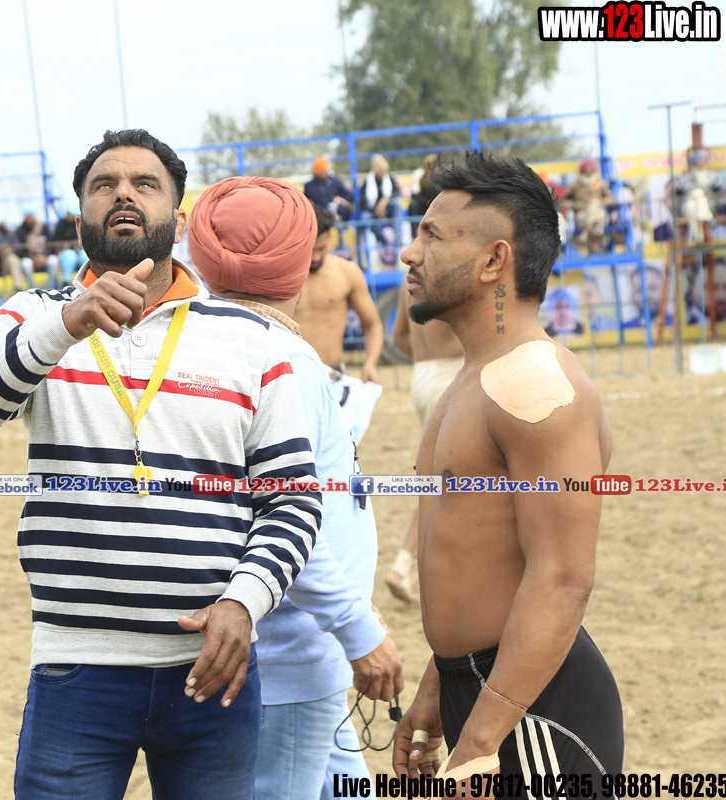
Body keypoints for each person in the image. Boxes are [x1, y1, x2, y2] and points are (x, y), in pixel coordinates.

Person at [0, 128, 323, 800]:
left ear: (178, 219)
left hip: (213, 668)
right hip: (76, 669)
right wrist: (66, 325)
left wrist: (246, 600)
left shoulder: (251, 340)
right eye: (104, 185)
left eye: (145, 184)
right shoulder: (36, 316)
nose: (123, 194)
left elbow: (292, 498)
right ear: (79, 220)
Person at [392, 152, 623, 783]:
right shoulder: (477, 377)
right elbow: (476, 562)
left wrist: (481, 737)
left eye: (432, 236)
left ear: (494, 261)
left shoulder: (533, 384)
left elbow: (563, 578)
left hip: (532, 711)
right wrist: (439, 686)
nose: (410, 254)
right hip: (483, 691)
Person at [186, 175, 404, 799]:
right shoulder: (282, 359)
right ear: (297, 259)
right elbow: (287, 517)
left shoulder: (202, 349)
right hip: (294, 649)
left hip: (303, 637)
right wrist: (355, 625)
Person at [384, 278, 464, 604]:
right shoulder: (450, 271)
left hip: (423, 374)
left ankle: (404, 566)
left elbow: (398, 338)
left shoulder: (410, 279)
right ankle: (404, 565)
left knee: (443, 476)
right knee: (446, 480)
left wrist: (426, 362)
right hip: (452, 371)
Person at [294, 202, 383, 382]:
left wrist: (370, 364)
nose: (316, 257)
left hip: (334, 375)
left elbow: (372, 325)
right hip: (291, 376)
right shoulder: (279, 276)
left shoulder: (347, 272)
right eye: (310, 251)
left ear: (330, 239)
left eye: (321, 248)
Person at [561, 160, 614, 254]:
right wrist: (573, 205)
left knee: (594, 203)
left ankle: (585, 232)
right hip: (582, 215)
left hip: (599, 212)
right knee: (595, 210)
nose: (589, 172)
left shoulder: (600, 185)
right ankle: (593, 245)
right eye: (586, 170)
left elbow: (610, 199)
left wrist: (599, 203)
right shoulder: (575, 185)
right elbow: (563, 200)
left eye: (591, 170)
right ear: (582, 171)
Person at [359, 154, 401, 245]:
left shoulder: (389, 179)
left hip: (387, 210)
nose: (383, 173)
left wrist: (385, 201)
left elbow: (397, 193)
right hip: (372, 211)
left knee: (396, 206)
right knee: (364, 217)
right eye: (380, 171)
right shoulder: (367, 182)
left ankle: (398, 239)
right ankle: (383, 240)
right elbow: (363, 203)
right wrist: (376, 210)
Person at [304, 156, 354, 220]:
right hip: (320, 214)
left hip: (337, 212)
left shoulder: (335, 181)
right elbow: (306, 199)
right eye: (321, 172)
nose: (324, 174)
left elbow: (348, 196)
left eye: (325, 171)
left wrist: (340, 200)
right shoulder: (309, 186)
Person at [51, 202, 84, 285]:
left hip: (79, 250)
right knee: (70, 256)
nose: (67, 215)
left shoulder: (82, 224)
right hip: (65, 251)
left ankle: (87, 281)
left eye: (69, 213)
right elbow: (56, 240)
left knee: (84, 256)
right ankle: (65, 281)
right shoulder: (60, 225)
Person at [15, 207, 48, 287]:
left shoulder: (43, 227)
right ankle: (33, 288)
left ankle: (50, 287)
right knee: (26, 263)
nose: (30, 217)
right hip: (29, 258)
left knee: (53, 261)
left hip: (44, 257)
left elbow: (50, 245)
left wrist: (44, 256)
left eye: (31, 215)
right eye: (27, 215)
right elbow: (21, 250)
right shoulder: (20, 230)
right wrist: (33, 258)